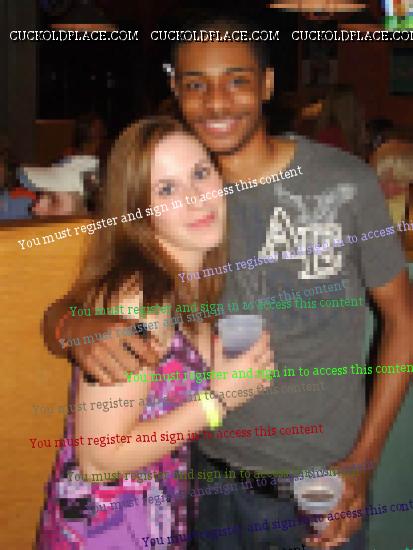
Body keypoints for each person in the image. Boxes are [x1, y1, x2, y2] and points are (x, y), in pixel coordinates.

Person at [45, 12, 413, 550]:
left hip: (319, 486)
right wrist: (71, 324)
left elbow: (403, 320)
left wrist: (364, 461)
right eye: (197, 85)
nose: (217, 103)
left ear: (267, 84)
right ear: (177, 91)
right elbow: (97, 296)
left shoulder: (343, 182)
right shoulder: (181, 197)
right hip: (206, 483)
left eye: (237, 80)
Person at [39, 116, 272, 548]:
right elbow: (98, 458)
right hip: (109, 529)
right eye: (166, 189)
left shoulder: (191, 283)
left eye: (200, 173)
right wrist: (219, 400)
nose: (196, 197)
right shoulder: (140, 297)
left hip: (156, 513)